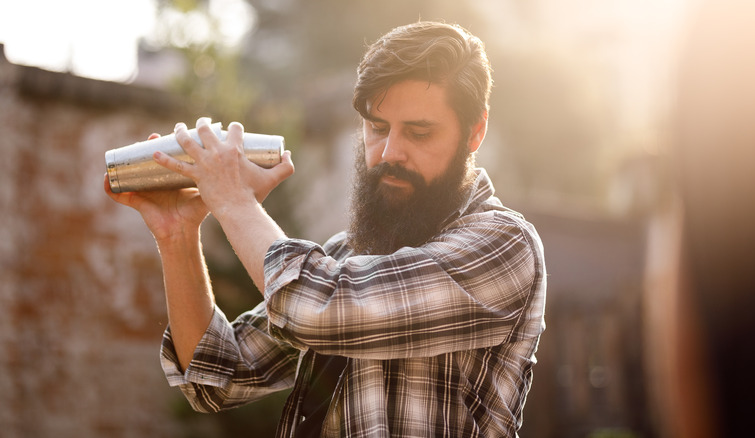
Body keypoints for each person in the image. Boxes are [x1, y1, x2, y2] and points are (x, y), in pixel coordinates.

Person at [105, 21, 546, 437]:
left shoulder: (503, 247)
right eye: (377, 127)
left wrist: (234, 202)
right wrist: (178, 235)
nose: (390, 152)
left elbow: (320, 309)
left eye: (420, 132)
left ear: (475, 132)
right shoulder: (344, 255)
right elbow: (217, 375)